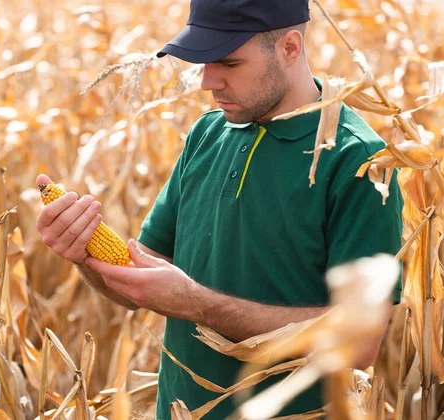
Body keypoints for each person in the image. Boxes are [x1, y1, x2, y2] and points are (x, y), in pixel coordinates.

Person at [35, 0, 403, 417]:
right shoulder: (207, 135)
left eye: (228, 62)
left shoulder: (360, 161)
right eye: (204, 62)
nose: (208, 81)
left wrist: (196, 303)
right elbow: (142, 282)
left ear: (289, 47)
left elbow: (359, 342)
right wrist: (85, 252)